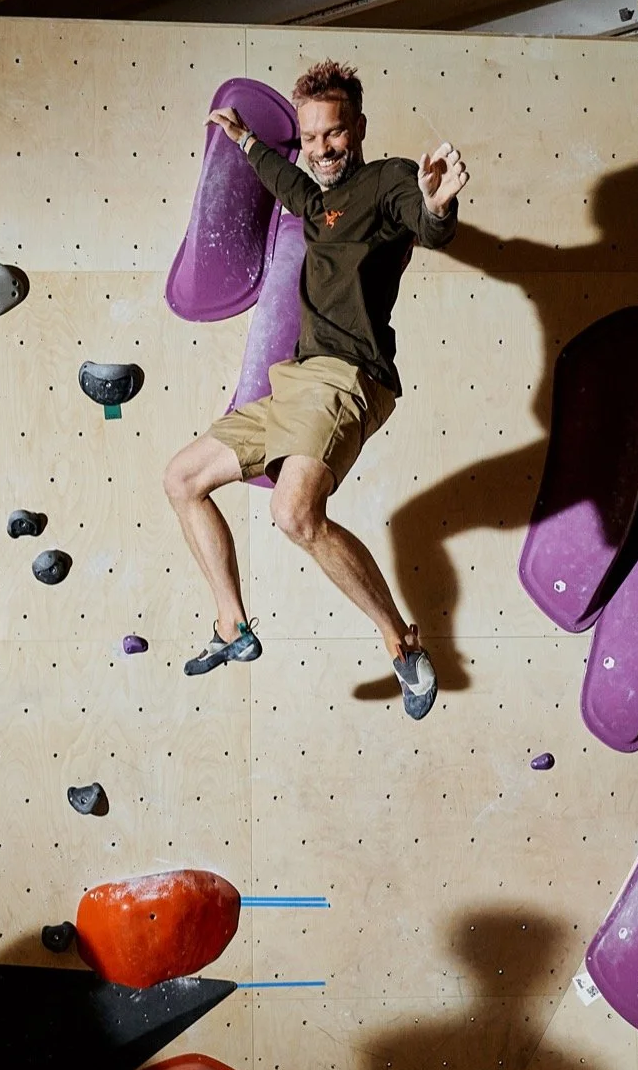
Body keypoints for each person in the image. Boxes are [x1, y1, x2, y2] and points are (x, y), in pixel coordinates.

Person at [162, 58, 470, 718]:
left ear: (356, 127)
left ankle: (400, 644)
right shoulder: (317, 196)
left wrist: (439, 207)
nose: (321, 149)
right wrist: (245, 140)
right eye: (309, 138)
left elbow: (426, 219)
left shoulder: (387, 181)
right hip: (294, 384)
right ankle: (232, 628)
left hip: (347, 376)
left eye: (332, 134)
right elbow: (287, 182)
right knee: (182, 480)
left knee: (294, 514)